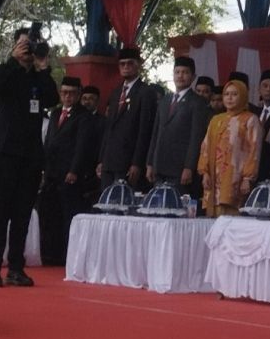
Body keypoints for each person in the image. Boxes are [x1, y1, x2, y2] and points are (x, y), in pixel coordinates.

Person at [0, 28, 59, 287]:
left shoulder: (37, 78)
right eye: (24, 45)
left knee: (22, 213)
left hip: (30, 155)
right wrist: (12, 60)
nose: (28, 51)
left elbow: (52, 98)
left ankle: (16, 267)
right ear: (15, 46)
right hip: (4, 153)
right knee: (0, 212)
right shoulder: (6, 71)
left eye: (31, 45)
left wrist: (43, 67)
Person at [39, 76, 94, 266]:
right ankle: (50, 253)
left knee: (67, 214)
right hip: (52, 171)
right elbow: (48, 141)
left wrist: (74, 170)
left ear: (78, 94)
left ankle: (66, 255)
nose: (67, 97)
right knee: (50, 212)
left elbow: (82, 146)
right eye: (64, 93)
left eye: (71, 93)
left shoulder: (83, 116)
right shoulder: (55, 114)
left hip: (69, 172)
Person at [145, 56, 211, 200]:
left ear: (193, 77)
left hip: (180, 169)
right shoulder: (164, 100)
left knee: (174, 208)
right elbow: (155, 134)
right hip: (159, 166)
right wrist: (150, 163)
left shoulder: (198, 103)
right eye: (177, 72)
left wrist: (189, 167)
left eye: (185, 72)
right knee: (156, 207)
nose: (180, 76)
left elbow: (196, 138)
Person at [98, 47, 161, 193]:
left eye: (130, 63)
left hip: (128, 162)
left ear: (138, 65)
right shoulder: (115, 93)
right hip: (109, 161)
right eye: (122, 64)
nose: (125, 67)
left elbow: (145, 130)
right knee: (105, 206)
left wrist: (137, 163)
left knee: (123, 205)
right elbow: (109, 128)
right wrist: (101, 159)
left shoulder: (146, 92)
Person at [197, 77, 261, 216]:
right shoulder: (216, 120)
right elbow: (205, 147)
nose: (229, 98)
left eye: (234, 94)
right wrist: (205, 172)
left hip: (236, 179)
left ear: (243, 95)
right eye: (226, 94)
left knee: (232, 219)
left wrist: (247, 179)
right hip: (214, 179)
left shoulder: (250, 119)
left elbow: (254, 151)